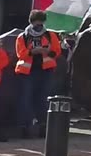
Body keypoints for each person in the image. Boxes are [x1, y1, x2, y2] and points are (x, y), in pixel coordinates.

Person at [14, 10, 64, 139]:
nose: (39, 27)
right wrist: (33, 51)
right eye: (37, 24)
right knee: (26, 99)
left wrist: (47, 51)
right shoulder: (23, 37)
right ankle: (24, 127)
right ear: (31, 22)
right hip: (27, 72)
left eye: (41, 24)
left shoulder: (50, 35)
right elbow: (20, 54)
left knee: (43, 99)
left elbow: (56, 52)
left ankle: (43, 126)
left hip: (45, 71)